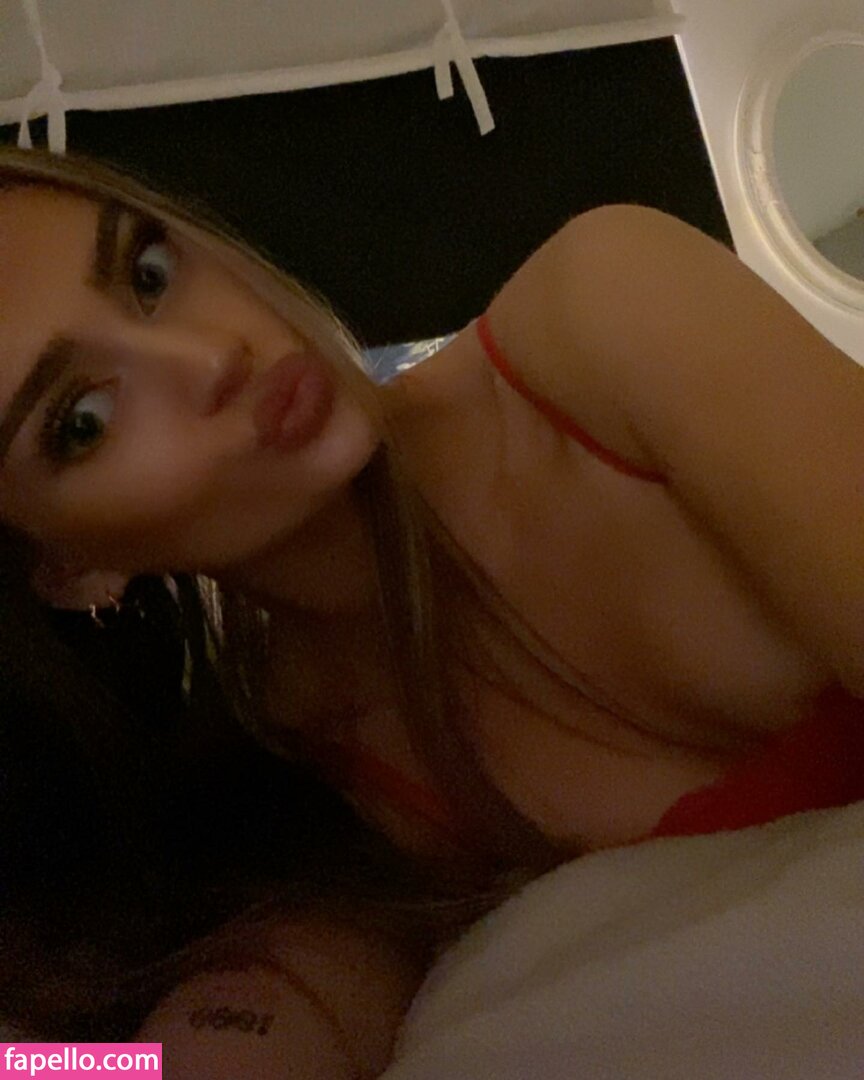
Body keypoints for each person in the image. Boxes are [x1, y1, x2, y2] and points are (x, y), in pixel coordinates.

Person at [1, 144, 862, 1077]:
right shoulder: (303, 753)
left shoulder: (604, 311)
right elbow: (221, 1045)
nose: (213, 356)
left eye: (149, 274)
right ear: (69, 568)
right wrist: (51, 1064)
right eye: (83, 421)